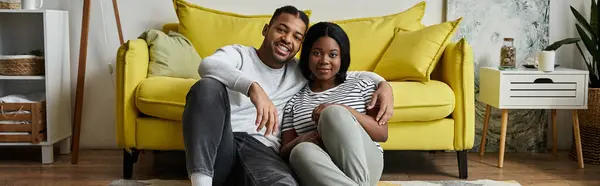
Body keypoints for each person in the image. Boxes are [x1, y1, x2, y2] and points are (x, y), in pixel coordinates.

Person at [182, 5, 394, 186]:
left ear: (300, 46)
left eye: (296, 37)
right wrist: (253, 88)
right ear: (266, 30)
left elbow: (338, 71)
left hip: (261, 151)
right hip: (222, 146)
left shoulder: (299, 72)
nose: (287, 39)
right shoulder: (239, 55)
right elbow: (208, 65)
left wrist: (384, 84)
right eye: (281, 30)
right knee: (207, 87)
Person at [279, 22, 388, 186]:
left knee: (332, 113)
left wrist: (342, 110)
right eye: (316, 53)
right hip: (325, 170)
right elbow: (285, 151)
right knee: (299, 152)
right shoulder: (294, 101)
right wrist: (301, 140)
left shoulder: (362, 84)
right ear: (307, 54)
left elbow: (382, 133)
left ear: (342, 57)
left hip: (367, 164)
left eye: (333, 54)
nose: (324, 60)